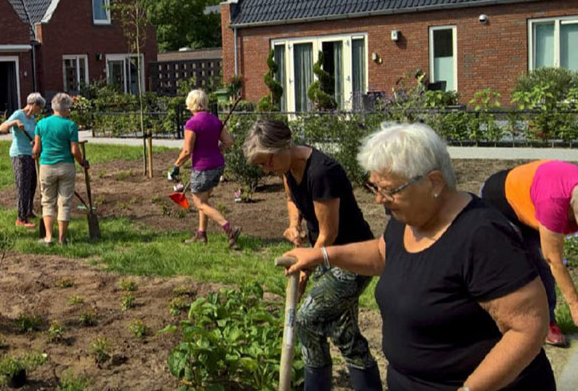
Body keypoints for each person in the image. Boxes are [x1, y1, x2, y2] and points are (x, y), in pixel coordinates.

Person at [282, 123, 555, 390]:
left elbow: (527, 328)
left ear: (434, 182)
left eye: (389, 190)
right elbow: (383, 253)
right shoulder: (409, 218)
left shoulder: (483, 236)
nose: (379, 200)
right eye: (374, 187)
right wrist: (321, 254)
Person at [243, 119, 380, 391]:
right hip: (327, 257)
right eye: (260, 165)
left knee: (307, 319)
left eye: (267, 161)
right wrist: (294, 225)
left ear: (284, 146)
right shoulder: (288, 168)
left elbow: (329, 234)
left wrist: (306, 269)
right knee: (345, 334)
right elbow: (292, 199)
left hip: (353, 257)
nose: (266, 169)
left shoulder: (321, 172)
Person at [480, 159, 578, 346]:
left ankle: (546, 321)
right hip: (500, 203)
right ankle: (515, 325)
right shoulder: (553, 201)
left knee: (538, 260)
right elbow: (553, 259)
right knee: (522, 263)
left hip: (531, 199)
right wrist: (575, 305)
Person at [169, 89, 240, 248]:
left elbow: (187, 151)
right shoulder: (215, 120)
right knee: (204, 201)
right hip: (218, 166)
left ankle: (229, 228)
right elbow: (228, 142)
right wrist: (215, 150)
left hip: (203, 168)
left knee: (200, 203)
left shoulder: (192, 123)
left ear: (191, 105)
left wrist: (176, 166)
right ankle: (201, 234)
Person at [33, 93, 88, 245]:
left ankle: (49, 237)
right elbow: (74, 151)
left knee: (48, 201)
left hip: (47, 166)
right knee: (64, 202)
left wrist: (34, 153)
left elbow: (36, 150)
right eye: (69, 108)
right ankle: (62, 239)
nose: (70, 111)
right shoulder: (70, 125)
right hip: (66, 167)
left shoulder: (41, 124)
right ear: (65, 109)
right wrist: (82, 162)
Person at [0, 93, 46, 228]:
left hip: (30, 154)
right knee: (22, 186)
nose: (39, 111)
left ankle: (28, 211)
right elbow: (1, 128)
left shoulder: (33, 119)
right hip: (19, 154)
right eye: (39, 107)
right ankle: (21, 218)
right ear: (33, 104)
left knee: (31, 184)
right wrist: (14, 123)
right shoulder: (18, 114)